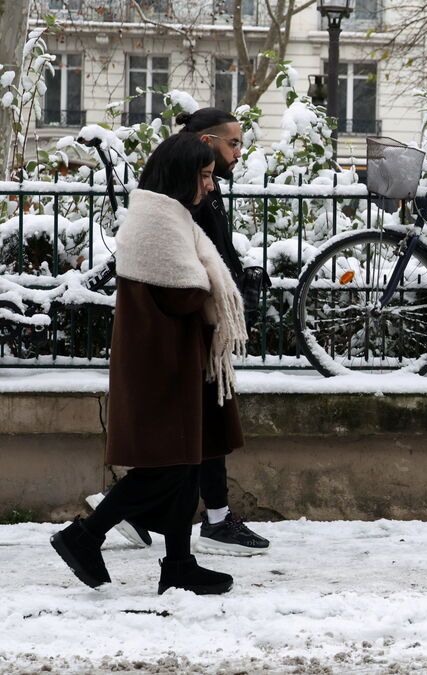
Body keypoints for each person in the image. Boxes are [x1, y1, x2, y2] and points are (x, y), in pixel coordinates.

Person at [52, 133, 247, 594]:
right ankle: (85, 536)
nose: (210, 186)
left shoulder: (168, 215)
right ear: (181, 174)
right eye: (203, 176)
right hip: (161, 366)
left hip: (173, 361)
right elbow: (182, 294)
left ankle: (178, 564)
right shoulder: (158, 220)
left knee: (186, 465)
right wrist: (207, 283)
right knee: (166, 468)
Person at [86, 108, 271, 556]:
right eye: (233, 144)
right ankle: (97, 531)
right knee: (177, 460)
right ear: (204, 146)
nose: (238, 154)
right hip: (171, 352)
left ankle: (183, 556)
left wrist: (234, 279)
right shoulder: (168, 210)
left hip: (188, 347)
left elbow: (208, 256)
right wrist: (219, 296)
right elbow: (183, 283)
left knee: (192, 453)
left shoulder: (190, 197)